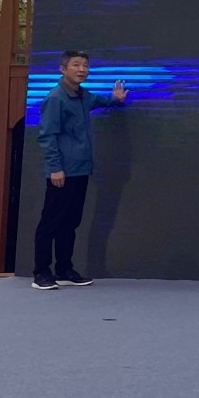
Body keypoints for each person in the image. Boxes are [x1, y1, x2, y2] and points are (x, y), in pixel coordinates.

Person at [32, 50, 129, 291]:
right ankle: (41, 273)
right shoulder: (55, 98)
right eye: (76, 65)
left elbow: (99, 101)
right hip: (62, 173)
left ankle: (64, 269)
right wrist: (55, 168)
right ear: (63, 69)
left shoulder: (83, 95)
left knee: (70, 222)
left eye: (85, 65)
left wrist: (115, 99)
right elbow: (47, 136)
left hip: (81, 171)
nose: (82, 69)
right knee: (50, 222)